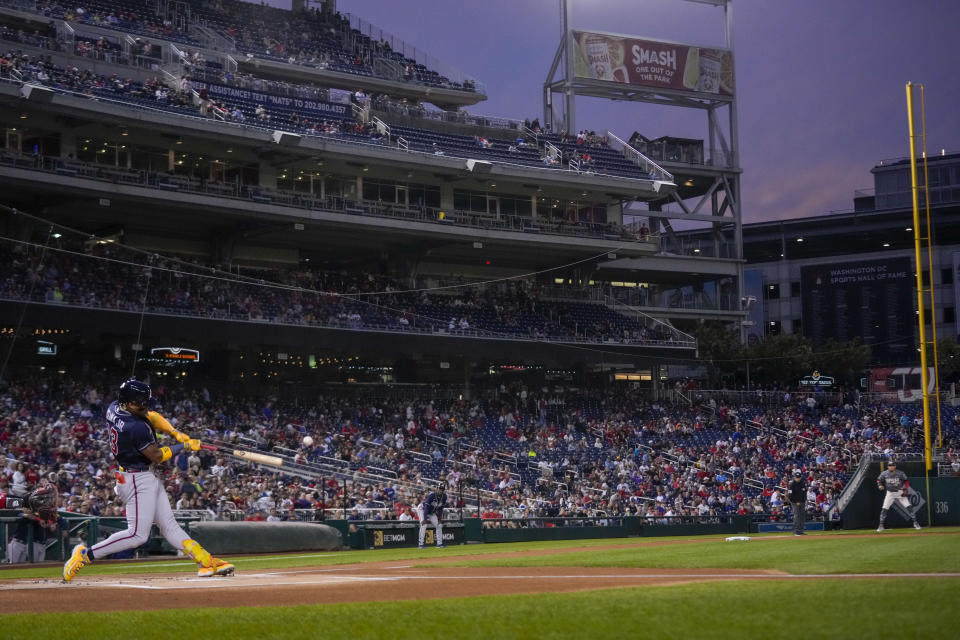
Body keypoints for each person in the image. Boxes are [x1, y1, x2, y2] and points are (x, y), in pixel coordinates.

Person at [63, 379, 235, 581]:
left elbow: (151, 416)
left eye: (144, 401)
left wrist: (175, 433)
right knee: (137, 535)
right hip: (135, 478)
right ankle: (86, 554)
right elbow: (157, 456)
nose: (144, 405)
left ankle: (206, 561)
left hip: (143, 475)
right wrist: (184, 447)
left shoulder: (115, 407)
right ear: (128, 402)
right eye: (139, 402)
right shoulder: (134, 427)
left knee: (170, 525)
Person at [875, 460, 921, 532]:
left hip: (900, 492)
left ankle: (915, 523)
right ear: (888, 467)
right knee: (884, 508)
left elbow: (906, 481)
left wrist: (906, 488)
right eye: (890, 466)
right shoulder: (884, 473)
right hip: (890, 493)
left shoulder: (900, 473)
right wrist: (880, 485)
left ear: (895, 466)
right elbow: (878, 480)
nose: (891, 467)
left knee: (909, 507)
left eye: (892, 465)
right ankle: (881, 525)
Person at [418, 482, 447, 549]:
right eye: (440, 488)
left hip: (431, 512)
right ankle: (421, 544)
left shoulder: (444, 497)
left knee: (439, 525)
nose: (441, 490)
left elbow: (441, 509)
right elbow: (426, 507)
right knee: (424, 524)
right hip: (422, 509)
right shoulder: (432, 495)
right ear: (437, 488)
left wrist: (439, 519)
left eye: (442, 489)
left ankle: (439, 544)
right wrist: (425, 519)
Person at [788, 469, 807, 536]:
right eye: (796, 477)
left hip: (802, 502)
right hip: (795, 503)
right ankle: (795, 531)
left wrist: (805, 500)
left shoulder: (802, 484)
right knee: (796, 516)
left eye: (799, 477)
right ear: (794, 477)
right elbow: (790, 496)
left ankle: (800, 531)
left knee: (802, 517)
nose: (798, 479)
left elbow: (805, 493)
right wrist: (796, 502)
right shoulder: (791, 485)